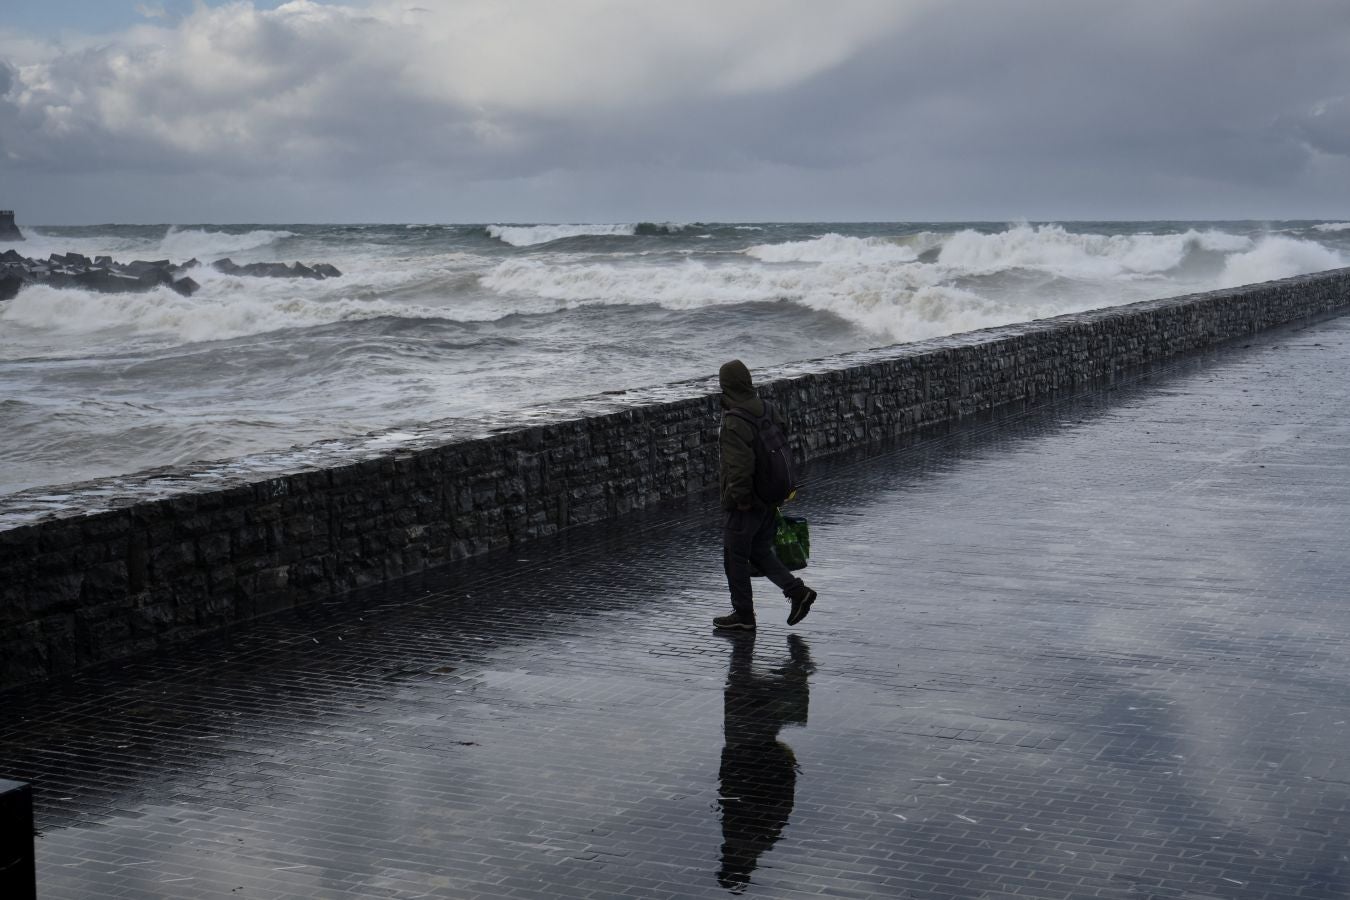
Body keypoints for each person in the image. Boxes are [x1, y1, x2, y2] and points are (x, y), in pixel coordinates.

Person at [714, 359, 817, 631]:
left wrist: (739, 500)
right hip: (771, 495)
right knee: (759, 551)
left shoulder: (735, 420)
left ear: (727, 386)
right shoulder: (767, 408)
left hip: (746, 502)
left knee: (734, 557)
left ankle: (743, 615)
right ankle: (797, 592)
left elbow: (738, 466)